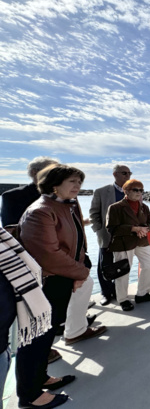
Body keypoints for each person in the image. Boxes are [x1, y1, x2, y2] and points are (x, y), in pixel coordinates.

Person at [19, 164, 107, 346]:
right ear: (54, 185)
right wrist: (80, 272)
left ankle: (75, 331)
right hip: (52, 277)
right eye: (72, 181)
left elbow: (76, 240)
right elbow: (48, 254)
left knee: (83, 288)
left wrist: (81, 269)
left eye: (80, 181)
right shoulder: (41, 211)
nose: (78, 185)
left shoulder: (68, 205)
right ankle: (37, 371)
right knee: (45, 328)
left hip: (67, 270)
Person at [0, 156, 63, 365]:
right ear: (37, 174)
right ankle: (36, 361)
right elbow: (10, 232)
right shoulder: (13, 196)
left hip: (57, 262)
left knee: (52, 310)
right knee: (32, 312)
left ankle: (44, 350)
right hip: (30, 265)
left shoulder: (58, 196)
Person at [0, 226, 69, 409]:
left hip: (12, 325)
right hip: (41, 292)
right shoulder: (39, 211)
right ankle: (30, 394)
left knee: (42, 338)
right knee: (33, 343)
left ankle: (39, 380)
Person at [106, 179, 150, 311]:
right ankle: (123, 300)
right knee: (123, 272)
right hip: (123, 243)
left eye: (141, 190)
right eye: (135, 190)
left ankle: (142, 294)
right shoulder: (115, 207)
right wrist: (134, 229)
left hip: (141, 241)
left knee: (148, 264)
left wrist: (144, 230)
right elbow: (111, 228)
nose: (139, 192)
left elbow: (148, 223)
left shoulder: (144, 207)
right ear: (126, 191)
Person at [89, 164, 132, 306]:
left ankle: (118, 291)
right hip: (107, 236)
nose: (128, 176)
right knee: (105, 264)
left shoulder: (133, 191)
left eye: (129, 173)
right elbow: (94, 213)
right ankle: (106, 293)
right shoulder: (101, 192)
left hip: (127, 236)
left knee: (123, 264)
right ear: (115, 174)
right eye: (124, 173)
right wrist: (99, 230)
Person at [1, 157, 59, 227]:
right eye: (51, 171)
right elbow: (11, 228)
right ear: (34, 172)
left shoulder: (64, 194)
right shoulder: (13, 196)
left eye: (58, 172)